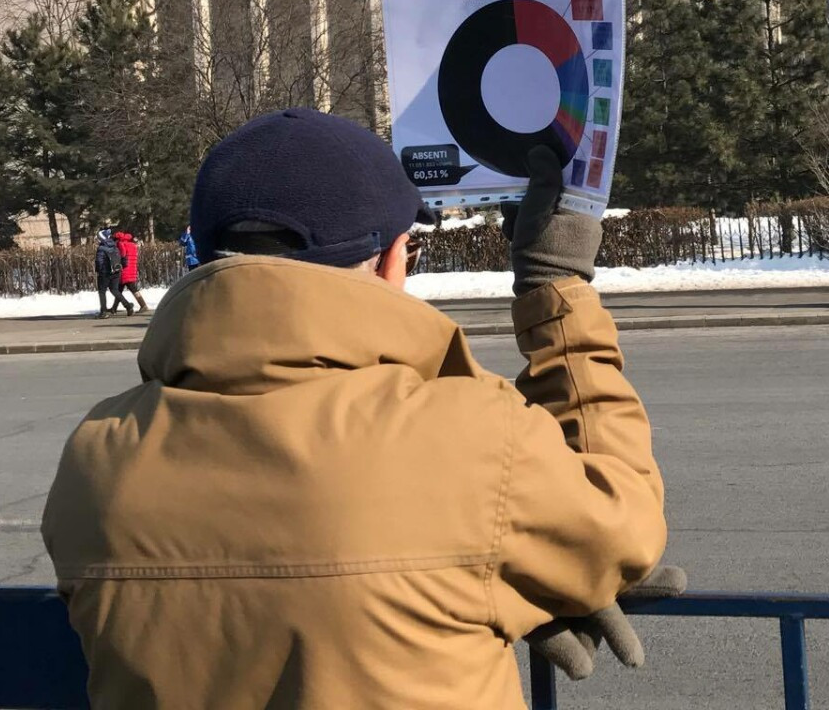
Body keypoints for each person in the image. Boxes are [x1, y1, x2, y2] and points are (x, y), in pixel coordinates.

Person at [41, 108, 673, 708]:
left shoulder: (96, 456)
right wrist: (553, 286)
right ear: (394, 258)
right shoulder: (468, 438)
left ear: (207, 257)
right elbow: (623, 523)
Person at [113, 229, 147, 315]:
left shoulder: (121, 244)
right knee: (121, 289)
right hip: (132, 269)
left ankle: (143, 305)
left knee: (121, 289)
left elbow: (122, 255)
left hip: (124, 270)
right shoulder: (133, 245)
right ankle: (114, 308)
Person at [93, 229, 124, 319]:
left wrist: (99, 271)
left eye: (98, 238)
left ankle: (103, 312)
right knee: (115, 290)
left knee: (102, 292)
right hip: (115, 271)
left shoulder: (101, 248)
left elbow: (99, 261)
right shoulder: (114, 246)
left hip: (105, 273)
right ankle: (128, 306)